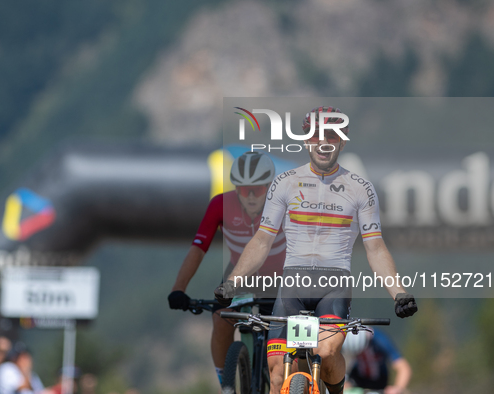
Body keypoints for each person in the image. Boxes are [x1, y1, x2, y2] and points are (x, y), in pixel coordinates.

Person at [215, 106, 418, 394]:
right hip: (292, 286)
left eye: (332, 137)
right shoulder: (284, 183)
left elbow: (375, 248)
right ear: (306, 140)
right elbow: (262, 240)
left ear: (343, 141)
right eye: (317, 136)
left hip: (333, 286)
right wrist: (233, 281)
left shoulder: (360, 188)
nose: (324, 143)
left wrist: (399, 292)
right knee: (275, 375)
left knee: (326, 353)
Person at [168, 151, 286, 385]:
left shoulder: (286, 205)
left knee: (294, 328)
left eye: (258, 189)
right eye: (244, 190)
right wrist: (178, 289)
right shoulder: (220, 205)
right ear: (236, 188)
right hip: (241, 277)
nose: (251, 196)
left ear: (270, 186)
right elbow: (198, 249)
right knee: (221, 319)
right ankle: (227, 386)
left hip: (282, 277)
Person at [342, 329, 412, 394]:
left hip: (380, 381)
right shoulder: (345, 342)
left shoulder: (380, 340)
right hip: (357, 378)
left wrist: (397, 388)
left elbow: (403, 368)